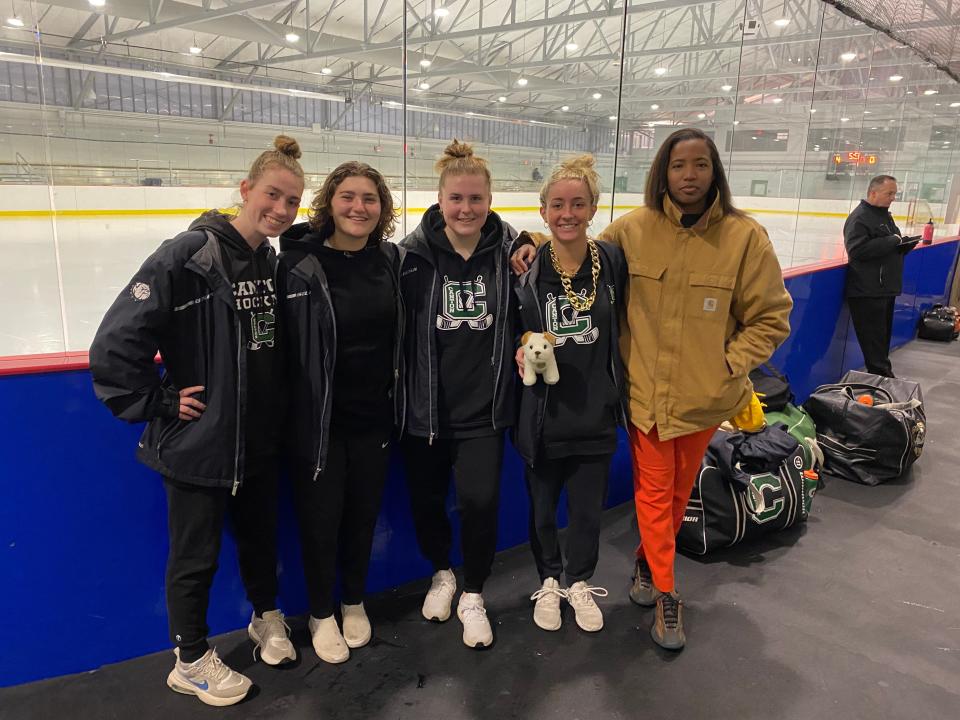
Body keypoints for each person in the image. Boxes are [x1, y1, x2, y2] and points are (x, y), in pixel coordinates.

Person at [512, 128, 792, 650]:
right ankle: (666, 592)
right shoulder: (632, 232)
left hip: (705, 399)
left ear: (714, 172)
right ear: (661, 172)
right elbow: (571, 242)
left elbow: (771, 319)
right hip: (644, 401)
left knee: (675, 495)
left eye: (700, 165)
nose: (688, 175)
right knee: (655, 495)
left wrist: (726, 365)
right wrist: (526, 240)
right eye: (678, 165)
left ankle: (644, 563)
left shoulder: (744, 238)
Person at [89, 135, 305, 706]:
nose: (281, 210)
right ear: (246, 189)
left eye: (292, 202)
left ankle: (265, 618)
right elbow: (114, 345)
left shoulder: (267, 258)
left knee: (261, 542)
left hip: (256, 438)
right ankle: (189, 658)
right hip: (202, 443)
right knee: (196, 556)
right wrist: (159, 402)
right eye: (272, 195)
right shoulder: (187, 254)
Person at [277, 162, 404, 665]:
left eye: (369, 198)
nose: (358, 207)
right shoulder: (298, 262)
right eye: (348, 196)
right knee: (321, 522)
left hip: (374, 418)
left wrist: (521, 236)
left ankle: (353, 600)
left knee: (361, 519)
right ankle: (321, 612)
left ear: (382, 208)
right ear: (330, 202)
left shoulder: (392, 260)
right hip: (319, 423)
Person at [399, 139, 519, 649]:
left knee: (479, 503)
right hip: (424, 411)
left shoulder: (512, 252)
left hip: (484, 410)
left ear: (489, 201)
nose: (466, 209)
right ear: (440, 199)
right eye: (456, 199)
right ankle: (442, 573)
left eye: (475, 199)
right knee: (427, 501)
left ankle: (473, 591)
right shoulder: (410, 255)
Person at [513, 155, 626, 633]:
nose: (567, 213)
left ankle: (579, 581)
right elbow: (511, 332)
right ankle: (550, 580)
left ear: (593, 208)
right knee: (541, 511)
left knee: (585, 512)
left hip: (594, 412)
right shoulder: (526, 267)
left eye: (578, 204)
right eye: (557, 204)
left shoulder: (614, 261)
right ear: (543, 212)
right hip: (543, 416)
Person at [843, 175, 915, 377]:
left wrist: (903, 244)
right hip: (868, 291)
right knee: (874, 344)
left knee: (881, 341)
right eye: (889, 193)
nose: (893, 198)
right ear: (873, 193)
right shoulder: (860, 217)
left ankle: (882, 382)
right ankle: (883, 382)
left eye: (894, 193)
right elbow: (857, 250)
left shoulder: (884, 216)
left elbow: (889, 243)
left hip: (885, 288)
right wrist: (892, 241)